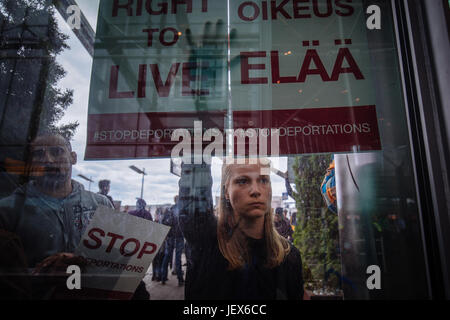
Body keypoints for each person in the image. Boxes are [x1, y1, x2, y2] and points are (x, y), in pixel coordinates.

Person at [0, 133, 114, 299]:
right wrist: (41, 274)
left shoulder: (100, 205)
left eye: (57, 152)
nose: (48, 160)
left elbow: (115, 260)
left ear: (73, 157)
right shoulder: (8, 210)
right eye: (39, 154)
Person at [177, 159, 304, 300]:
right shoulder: (208, 243)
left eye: (263, 180)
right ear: (226, 191)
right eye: (243, 181)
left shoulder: (289, 256)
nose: (256, 191)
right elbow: (193, 200)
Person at [160, 196, 185, 286]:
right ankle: (180, 279)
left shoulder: (169, 209)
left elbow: (163, 222)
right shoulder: (182, 210)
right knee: (178, 258)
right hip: (179, 237)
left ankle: (163, 277)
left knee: (167, 256)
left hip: (170, 237)